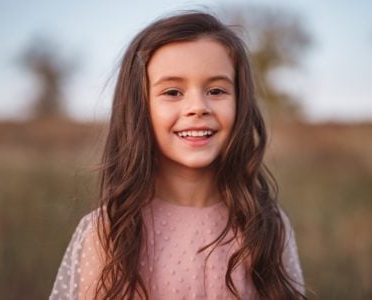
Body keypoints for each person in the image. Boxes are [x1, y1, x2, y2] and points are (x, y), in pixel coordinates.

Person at [50, 11, 306, 300]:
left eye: (217, 90)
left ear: (241, 103)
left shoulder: (267, 225)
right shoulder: (110, 233)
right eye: (173, 92)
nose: (197, 107)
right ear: (140, 108)